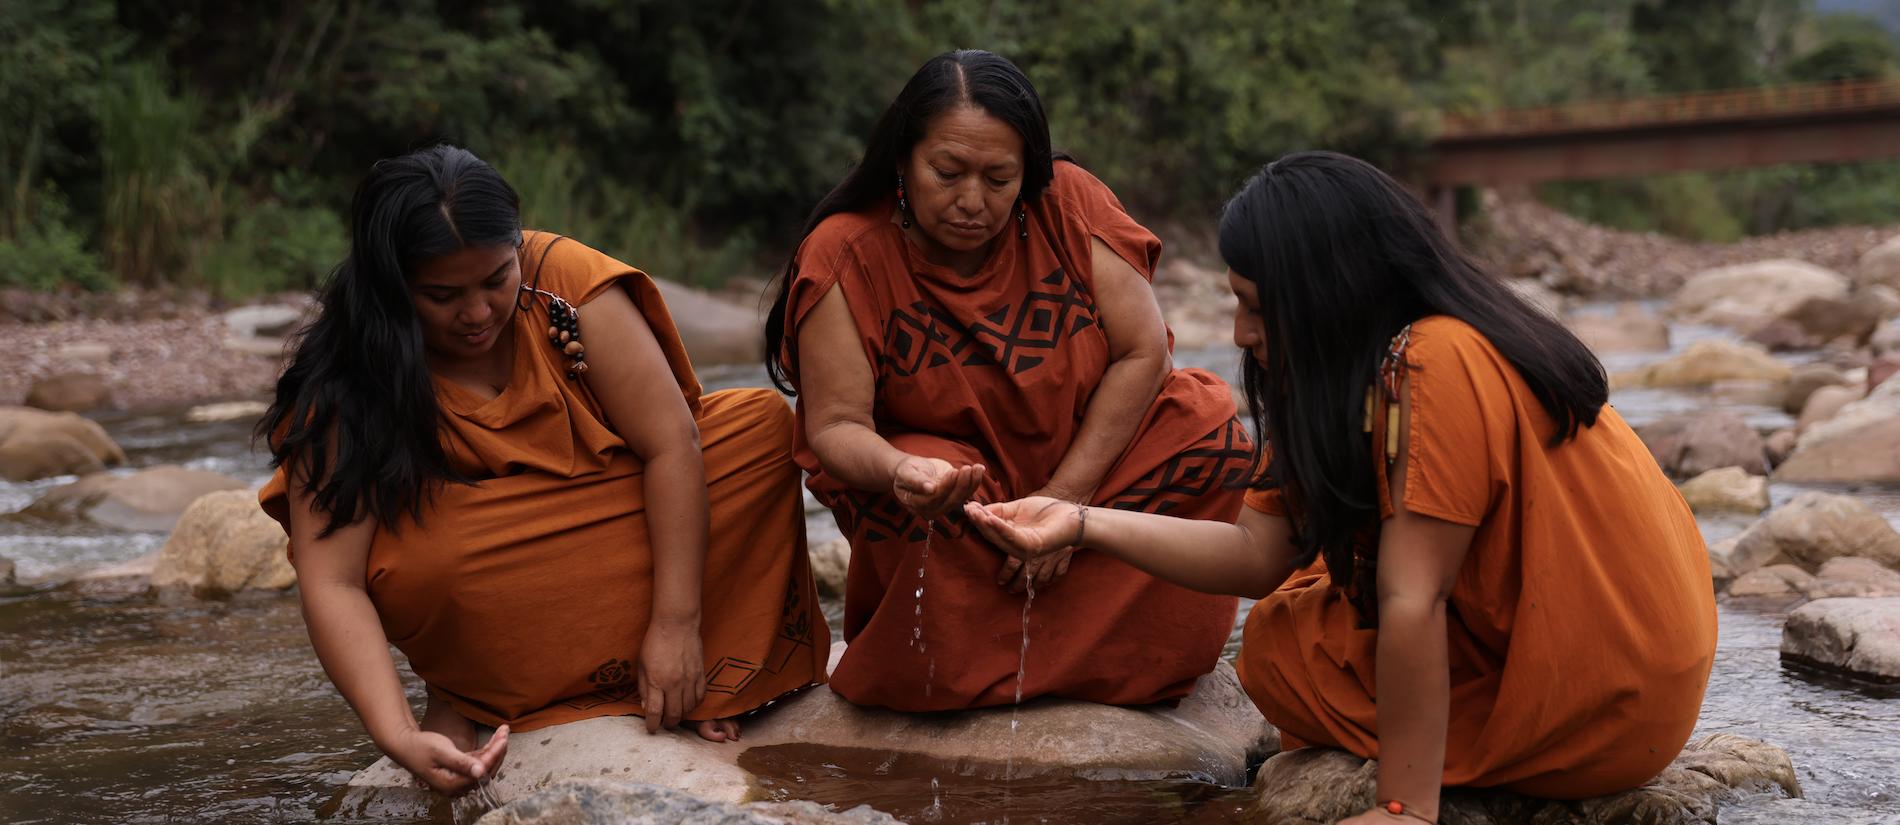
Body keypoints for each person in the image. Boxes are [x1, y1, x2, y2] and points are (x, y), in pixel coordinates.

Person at [965, 152, 1717, 823]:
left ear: (1330, 295)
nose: (1238, 334)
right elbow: (1257, 552)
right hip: (1643, 685)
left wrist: (1404, 806)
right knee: (1295, 608)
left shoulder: (1436, 358)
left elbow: (1413, 596)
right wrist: (1081, 521)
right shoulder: (1392, 354)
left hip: (1600, 705)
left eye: (1257, 308)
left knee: (1282, 646)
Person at [258, 145, 827, 796]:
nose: (477, 314)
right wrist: (395, 733)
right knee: (421, 551)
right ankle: (478, 688)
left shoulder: (566, 282)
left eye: (496, 279)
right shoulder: (351, 375)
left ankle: (685, 672)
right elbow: (332, 579)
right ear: (391, 285)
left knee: (757, 429)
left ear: (517, 251)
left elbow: (674, 445)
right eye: (443, 295)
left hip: (607, 517)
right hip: (485, 568)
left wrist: (678, 626)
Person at [763, 49, 1253, 712]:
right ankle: (964, 667)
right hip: (972, 503)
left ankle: (1122, 658)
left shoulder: (1071, 203)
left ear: (1029, 172)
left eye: (999, 178)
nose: (972, 201)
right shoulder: (846, 252)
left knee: (1209, 432)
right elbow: (835, 426)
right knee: (929, 484)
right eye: (948, 172)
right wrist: (900, 470)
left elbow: (1143, 354)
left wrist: (1068, 506)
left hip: (1089, 478)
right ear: (902, 162)